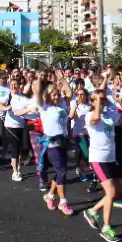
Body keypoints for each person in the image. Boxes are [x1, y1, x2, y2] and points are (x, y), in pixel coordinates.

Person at [83, 77, 122, 242]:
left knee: (117, 193)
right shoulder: (90, 115)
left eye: (103, 99)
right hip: (98, 158)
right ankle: (106, 228)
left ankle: (92, 211)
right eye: (98, 99)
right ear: (93, 101)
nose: (102, 101)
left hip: (110, 158)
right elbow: (95, 118)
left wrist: (121, 103)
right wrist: (96, 103)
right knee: (110, 193)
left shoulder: (110, 114)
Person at [37, 78, 74, 215]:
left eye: (57, 93)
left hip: (63, 142)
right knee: (62, 171)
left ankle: (50, 195)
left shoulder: (62, 104)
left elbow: (69, 92)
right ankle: (63, 202)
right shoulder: (45, 107)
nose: (57, 96)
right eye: (53, 94)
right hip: (52, 145)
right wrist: (40, 84)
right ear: (48, 96)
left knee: (60, 171)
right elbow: (38, 98)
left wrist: (63, 79)